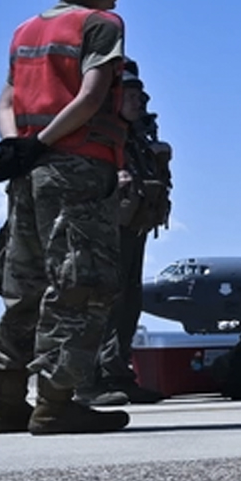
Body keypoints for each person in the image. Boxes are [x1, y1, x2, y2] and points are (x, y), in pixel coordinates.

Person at [0, 0, 132, 435]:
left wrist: (17, 146)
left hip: (28, 172)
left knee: (23, 285)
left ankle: (4, 402)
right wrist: (45, 143)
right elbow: (91, 97)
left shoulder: (27, 30)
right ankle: (55, 401)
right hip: (76, 169)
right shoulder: (100, 25)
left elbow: (6, 99)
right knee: (80, 284)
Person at [84, 58, 172, 407]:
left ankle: (118, 372)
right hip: (103, 228)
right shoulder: (96, 132)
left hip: (133, 227)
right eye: (130, 93)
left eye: (139, 94)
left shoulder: (136, 136)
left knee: (129, 300)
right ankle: (91, 379)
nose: (138, 101)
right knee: (102, 299)